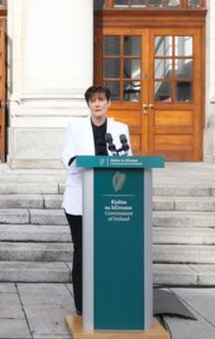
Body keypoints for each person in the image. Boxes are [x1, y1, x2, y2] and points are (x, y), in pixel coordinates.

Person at [60, 85, 131, 315]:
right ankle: (83, 305)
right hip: (79, 200)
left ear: (109, 102)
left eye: (101, 100)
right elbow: (68, 159)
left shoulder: (121, 128)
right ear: (88, 105)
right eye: (93, 101)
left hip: (110, 200)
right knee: (82, 251)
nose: (97, 104)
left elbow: (128, 160)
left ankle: (107, 297)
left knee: (108, 250)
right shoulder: (75, 127)